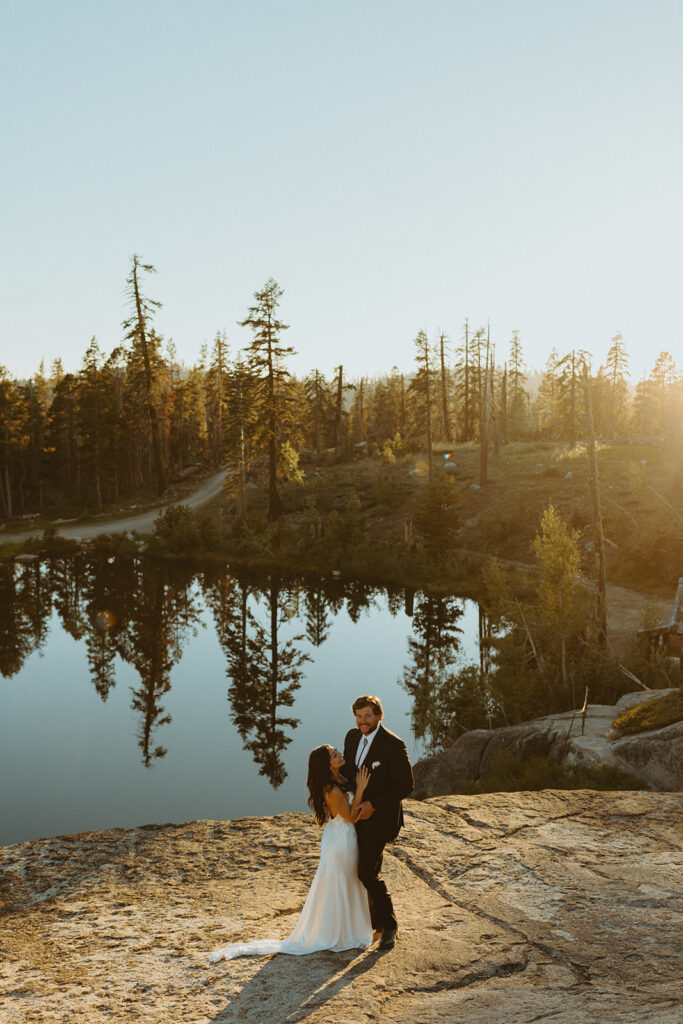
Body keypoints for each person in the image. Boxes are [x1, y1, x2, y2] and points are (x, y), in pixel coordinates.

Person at [207, 745, 373, 962]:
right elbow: (350, 816)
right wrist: (360, 788)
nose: (340, 753)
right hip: (341, 842)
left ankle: (346, 930)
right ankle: (339, 934)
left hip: (343, 838)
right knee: (341, 883)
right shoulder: (331, 789)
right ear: (327, 764)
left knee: (347, 882)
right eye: (334, 755)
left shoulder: (339, 779)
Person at [342, 695, 414, 951]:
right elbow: (348, 773)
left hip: (381, 818)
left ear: (379, 716)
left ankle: (390, 924)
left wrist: (373, 805)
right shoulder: (352, 737)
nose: (363, 721)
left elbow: (406, 785)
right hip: (355, 816)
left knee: (365, 872)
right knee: (365, 867)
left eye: (368, 716)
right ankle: (374, 920)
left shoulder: (393, 745)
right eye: (359, 716)